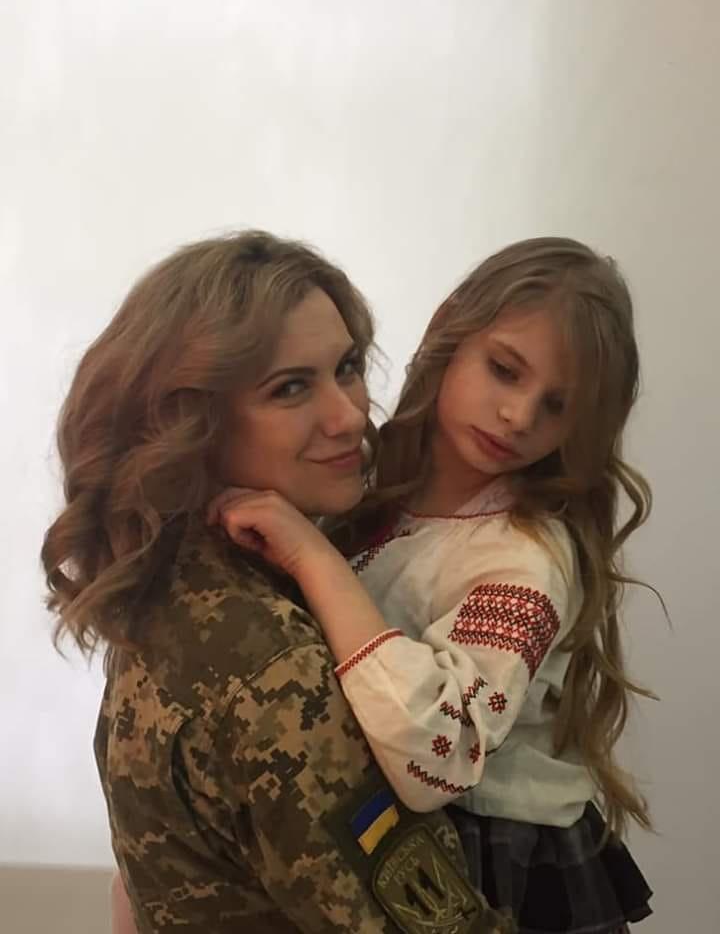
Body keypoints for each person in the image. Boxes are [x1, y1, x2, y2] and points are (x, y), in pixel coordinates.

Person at [41, 231, 514, 934]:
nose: (349, 416)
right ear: (193, 421)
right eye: (289, 388)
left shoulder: (167, 582)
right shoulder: (272, 665)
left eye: (347, 368)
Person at [210, 237, 655, 933]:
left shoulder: (526, 559)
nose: (519, 416)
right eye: (504, 370)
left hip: (490, 864)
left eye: (556, 406)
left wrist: (311, 556)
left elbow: (438, 756)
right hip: (375, 830)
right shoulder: (367, 477)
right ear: (452, 327)